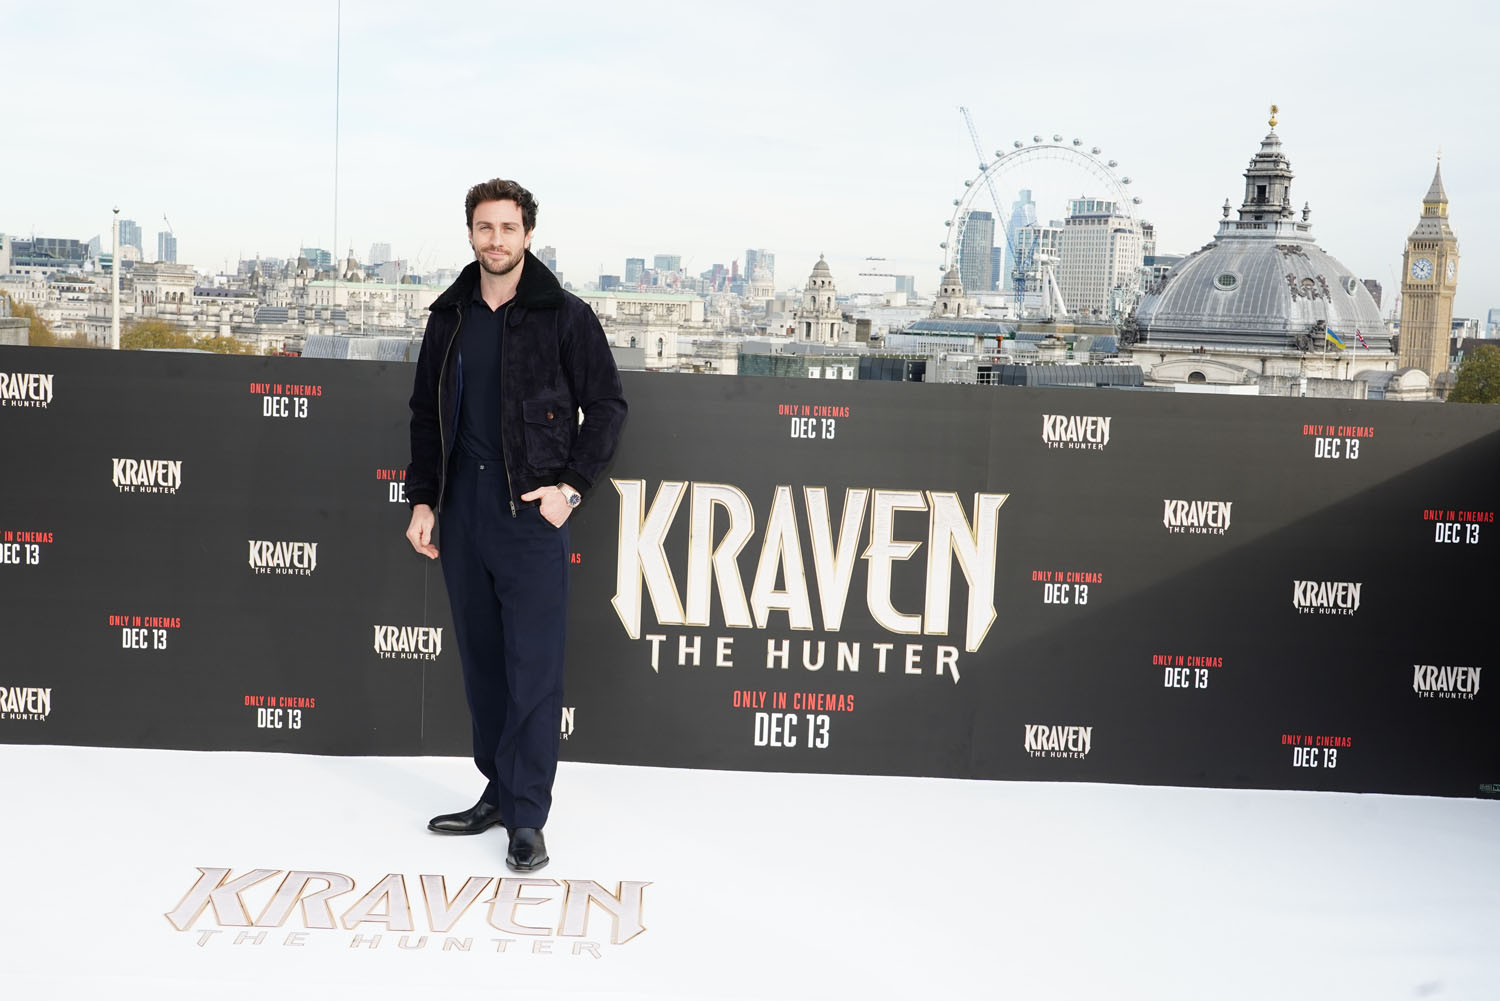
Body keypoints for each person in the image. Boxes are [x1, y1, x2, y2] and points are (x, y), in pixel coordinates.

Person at [404, 178, 626, 872]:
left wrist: (571, 489)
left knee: (533, 669)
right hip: (463, 509)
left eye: (507, 227)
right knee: (483, 665)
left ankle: (527, 817)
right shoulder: (449, 315)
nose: (495, 239)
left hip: (530, 513)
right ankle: (497, 792)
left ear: (528, 234)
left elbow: (607, 406)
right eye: (484, 227)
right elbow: (424, 414)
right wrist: (423, 500)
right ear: (471, 233)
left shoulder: (564, 315)